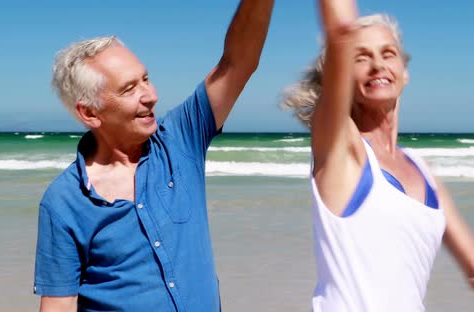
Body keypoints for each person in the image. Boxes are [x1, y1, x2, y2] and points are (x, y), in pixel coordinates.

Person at [33, 1, 274, 311]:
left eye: (145, 79)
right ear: (90, 112)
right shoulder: (64, 202)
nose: (151, 96)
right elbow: (58, 305)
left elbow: (238, 62)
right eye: (129, 88)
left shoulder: (180, 139)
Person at [282, 0, 474, 310]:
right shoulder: (341, 149)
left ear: (404, 72)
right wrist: (342, 40)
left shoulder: (422, 170)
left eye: (388, 53)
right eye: (361, 57)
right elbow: (340, 31)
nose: (377, 65)